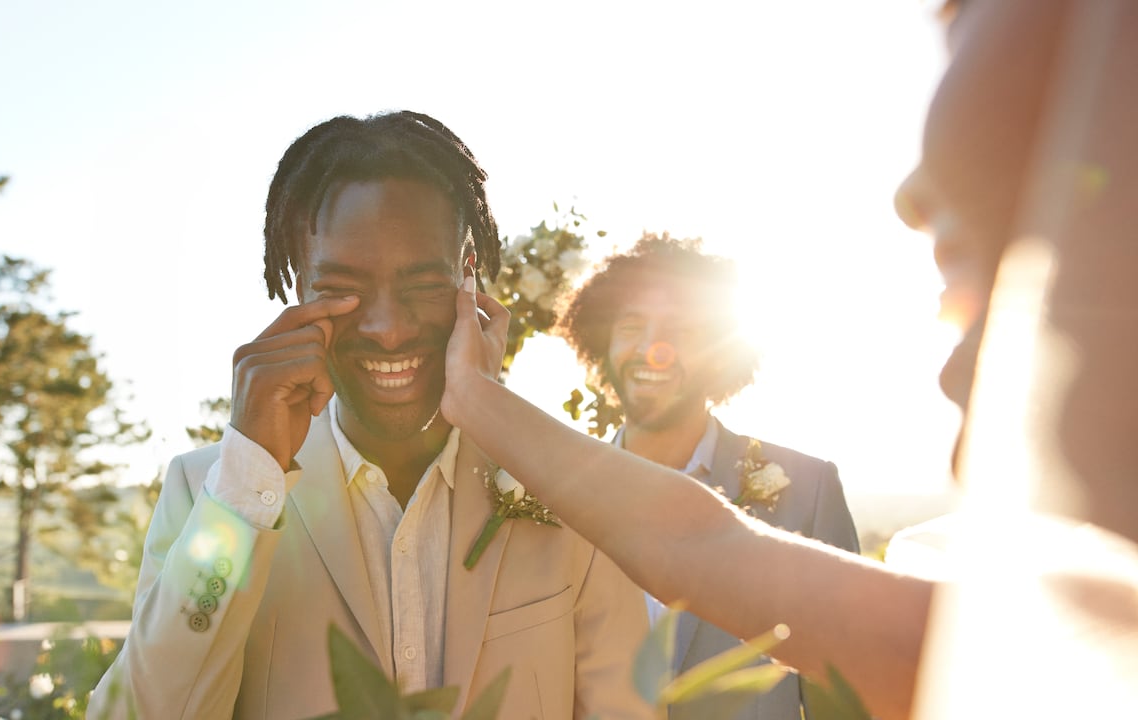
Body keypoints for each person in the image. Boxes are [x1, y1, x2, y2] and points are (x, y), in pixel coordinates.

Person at [437, 2, 1138, 719]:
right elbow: (695, 538)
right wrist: (473, 398)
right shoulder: (985, 626)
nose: (914, 200)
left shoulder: (835, 513)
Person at [88, 110, 651, 719]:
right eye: (341, 288)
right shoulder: (209, 494)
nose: (388, 329)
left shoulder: (577, 499)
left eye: (424, 284)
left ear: (468, 279)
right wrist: (248, 484)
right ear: (297, 288)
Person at [557, 234, 859, 720]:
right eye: (632, 325)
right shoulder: (555, 497)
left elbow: (842, 699)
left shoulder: (809, 491)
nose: (654, 348)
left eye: (681, 331)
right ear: (602, 342)